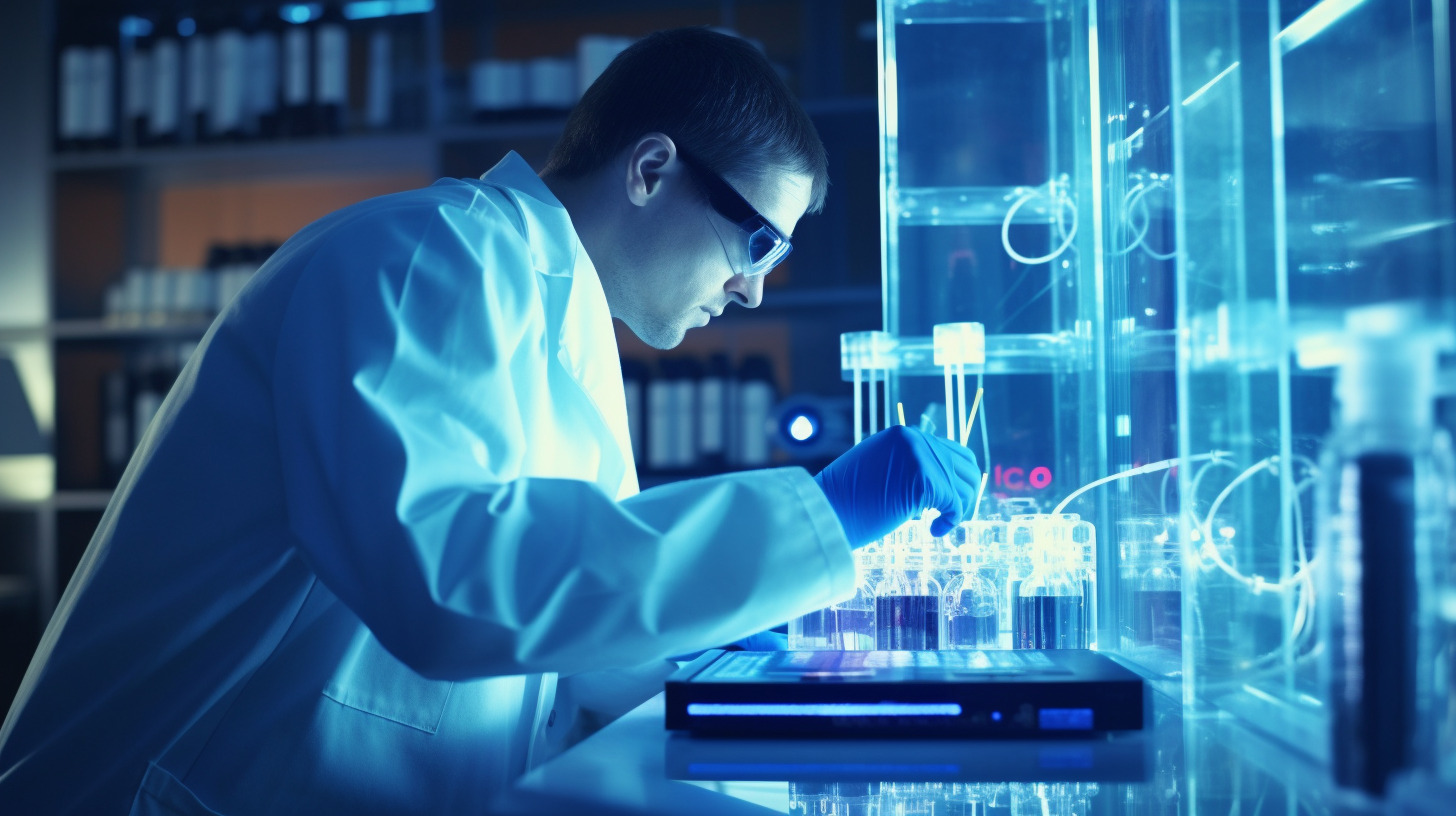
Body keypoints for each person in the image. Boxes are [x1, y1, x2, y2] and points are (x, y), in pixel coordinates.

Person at [0, 27, 980, 815]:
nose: (754, 291)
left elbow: (565, 629)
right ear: (649, 170)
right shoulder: (426, 255)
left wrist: (731, 642)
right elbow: (453, 581)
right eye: (755, 241)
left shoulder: (562, 326)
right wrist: (815, 517)